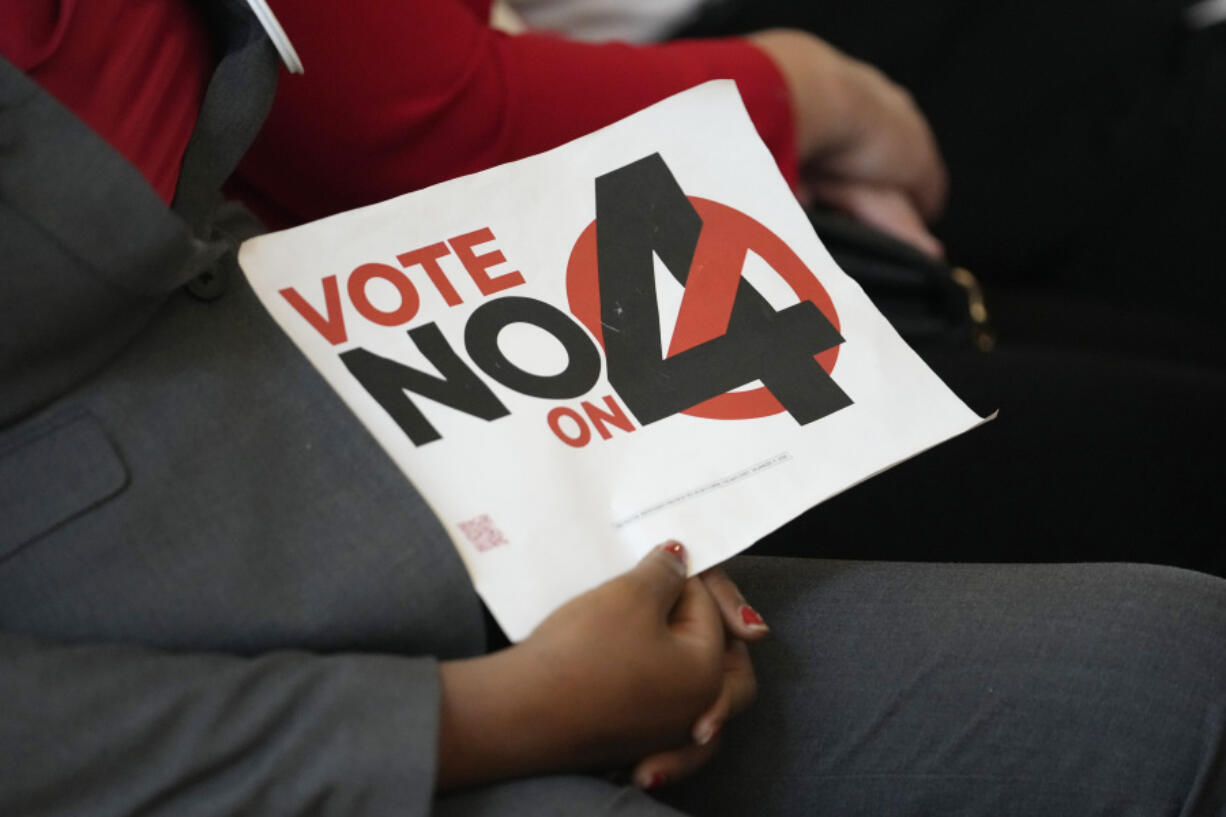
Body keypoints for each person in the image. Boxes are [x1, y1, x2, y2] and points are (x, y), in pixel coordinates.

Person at [2, 2, 1225, 815]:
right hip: (204, 663)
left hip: (379, 442)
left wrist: (587, 502)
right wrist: (479, 720)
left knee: (1179, 655)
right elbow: (412, 124)